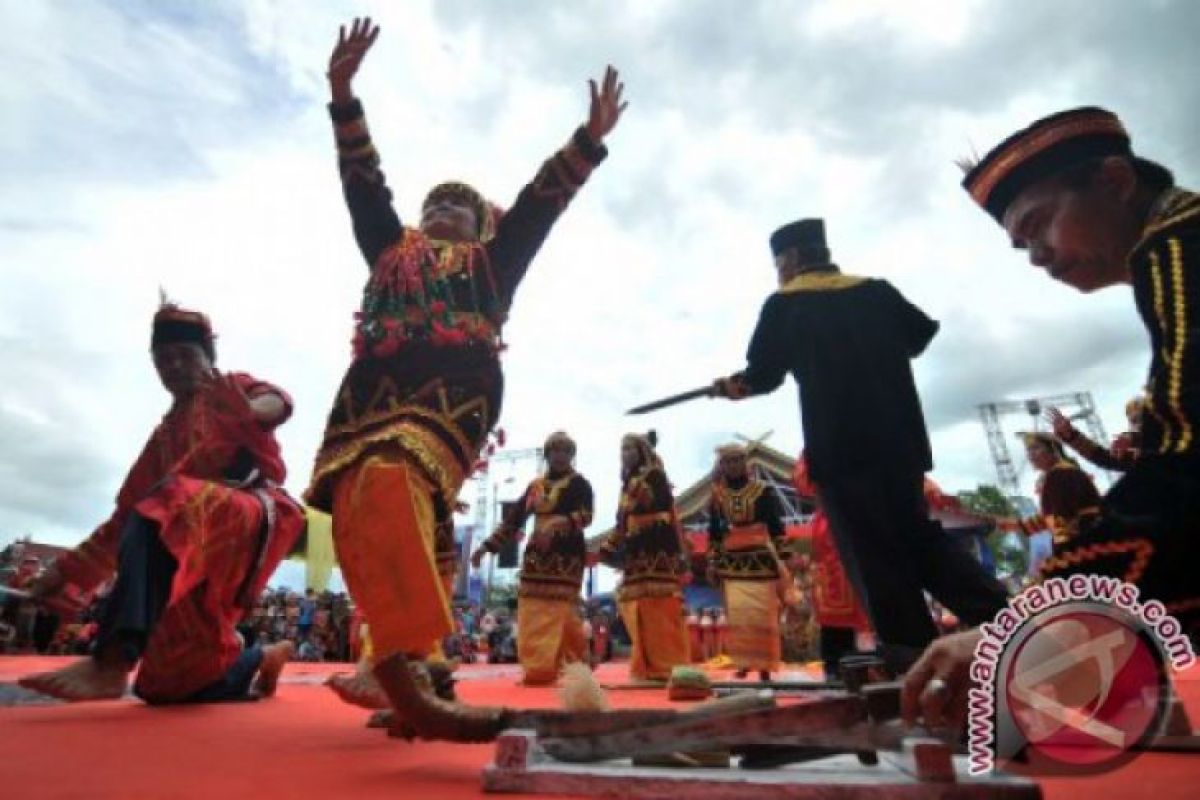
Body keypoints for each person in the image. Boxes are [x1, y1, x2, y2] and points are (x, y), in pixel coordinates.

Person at [302, 18, 625, 741]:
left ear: (481, 226)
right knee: (368, 503)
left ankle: (405, 657)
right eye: (434, 203)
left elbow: (542, 203)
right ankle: (424, 669)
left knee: (389, 473)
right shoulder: (388, 251)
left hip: (453, 393)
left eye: (462, 205)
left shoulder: (492, 264)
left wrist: (588, 141)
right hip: (368, 394)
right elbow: (363, 184)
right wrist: (343, 95)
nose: (444, 208)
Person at [904, 106, 1200, 729]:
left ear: (1115, 182)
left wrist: (1030, 626)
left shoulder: (1178, 247)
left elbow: (1188, 474)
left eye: (1040, 226)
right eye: (1022, 246)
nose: (1037, 256)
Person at [711, 219, 1010, 673]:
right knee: (918, 538)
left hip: (841, 447)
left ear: (789, 260)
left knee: (874, 556)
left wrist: (731, 387)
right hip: (900, 443)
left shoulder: (786, 304)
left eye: (778, 264)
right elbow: (920, 335)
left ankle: (916, 663)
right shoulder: (876, 291)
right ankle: (1006, 619)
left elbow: (762, 376)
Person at [18, 299, 303, 704]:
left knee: (168, 499)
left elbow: (279, 401)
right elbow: (122, 522)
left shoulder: (230, 387)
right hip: (181, 532)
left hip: (249, 514)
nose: (173, 367)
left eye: (184, 356)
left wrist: (252, 411)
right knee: (165, 685)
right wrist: (61, 573)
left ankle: (111, 660)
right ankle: (257, 659)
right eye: (163, 360)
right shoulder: (161, 441)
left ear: (208, 358)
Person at [471, 431, 594, 685]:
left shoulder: (580, 484)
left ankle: (569, 662)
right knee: (531, 609)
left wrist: (560, 522)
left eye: (565, 451)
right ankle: (539, 667)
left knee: (560, 612)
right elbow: (514, 519)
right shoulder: (535, 486)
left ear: (572, 456)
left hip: (567, 555)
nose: (560, 456)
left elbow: (587, 515)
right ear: (547, 454)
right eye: (555, 451)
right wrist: (486, 547)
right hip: (536, 556)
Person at [595, 433, 690, 682]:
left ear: (641, 452)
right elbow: (621, 523)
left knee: (660, 609)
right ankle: (646, 667)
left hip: (658, 548)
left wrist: (639, 477)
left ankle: (667, 666)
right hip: (635, 553)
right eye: (623, 449)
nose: (626, 454)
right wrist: (605, 549)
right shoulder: (626, 485)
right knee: (637, 610)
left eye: (631, 449)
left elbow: (653, 501)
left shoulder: (655, 476)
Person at [706, 444, 791, 681]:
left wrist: (784, 555)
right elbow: (714, 532)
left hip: (760, 558)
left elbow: (776, 524)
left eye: (736, 461)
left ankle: (764, 665)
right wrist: (712, 560)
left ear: (745, 463)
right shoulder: (718, 495)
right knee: (739, 616)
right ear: (722, 466)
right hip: (732, 561)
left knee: (762, 615)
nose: (732, 466)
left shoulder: (762, 490)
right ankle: (744, 662)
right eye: (728, 462)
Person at [793, 453, 871, 682]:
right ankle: (836, 669)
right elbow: (803, 478)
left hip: (854, 551)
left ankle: (856, 668)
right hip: (831, 567)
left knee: (860, 620)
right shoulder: (822, 517)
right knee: (833, 621)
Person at [1016, 432, 1102, 551]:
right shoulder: (1058, 473)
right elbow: (1052, 516)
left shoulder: (1060, 473)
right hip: (1088, 536)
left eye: (1035, 448)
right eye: (1028, 451)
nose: (1031, 455)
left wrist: (1062, 548)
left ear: (1053, 450)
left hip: (1085, 540)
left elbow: (1063, 516)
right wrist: (1019, 526)